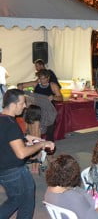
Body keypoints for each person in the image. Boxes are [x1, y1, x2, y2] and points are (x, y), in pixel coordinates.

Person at [0, 89, 55, 219]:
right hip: (14, 171)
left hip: (3, 169)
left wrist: (25, 137)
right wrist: (41, 144)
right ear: (13, 105)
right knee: (18, 200)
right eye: (22, 103)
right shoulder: (11, 124)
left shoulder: (3, 119)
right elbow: (21, 153)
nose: (25, 106)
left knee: (26, 199)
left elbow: (6, 136)